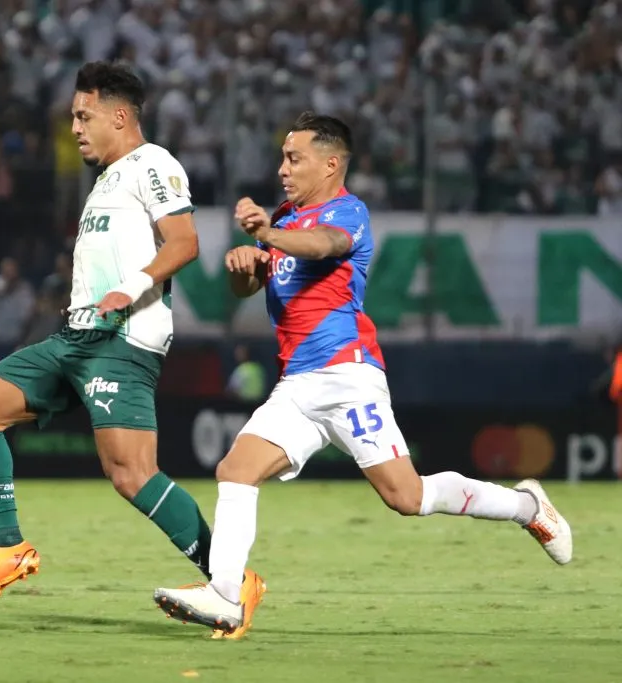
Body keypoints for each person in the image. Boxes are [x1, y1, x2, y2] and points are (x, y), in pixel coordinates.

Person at [153, 111, 572, 637]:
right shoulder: (285, 218)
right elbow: (252, 286)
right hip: (297, 383)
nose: (283, 168)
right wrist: (246, 263)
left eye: (294, 158)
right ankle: (225, 596)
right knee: (236, 471)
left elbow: (325, 246)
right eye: (283, 157)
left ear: (330, 164)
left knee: (407, 498)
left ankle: (524, 505)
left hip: (347, 377)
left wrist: (270, 234)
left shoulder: (347, 212)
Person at [0, 61, 262, 636]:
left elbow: (186, 242)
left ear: (120, 115)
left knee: (131, 474)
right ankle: (7, 549)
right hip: (75, 336)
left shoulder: (154, 164)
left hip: (123, 340)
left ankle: (230, 579)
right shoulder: (106, 179)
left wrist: (132, 288)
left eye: (83, 115)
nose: (74, 127)